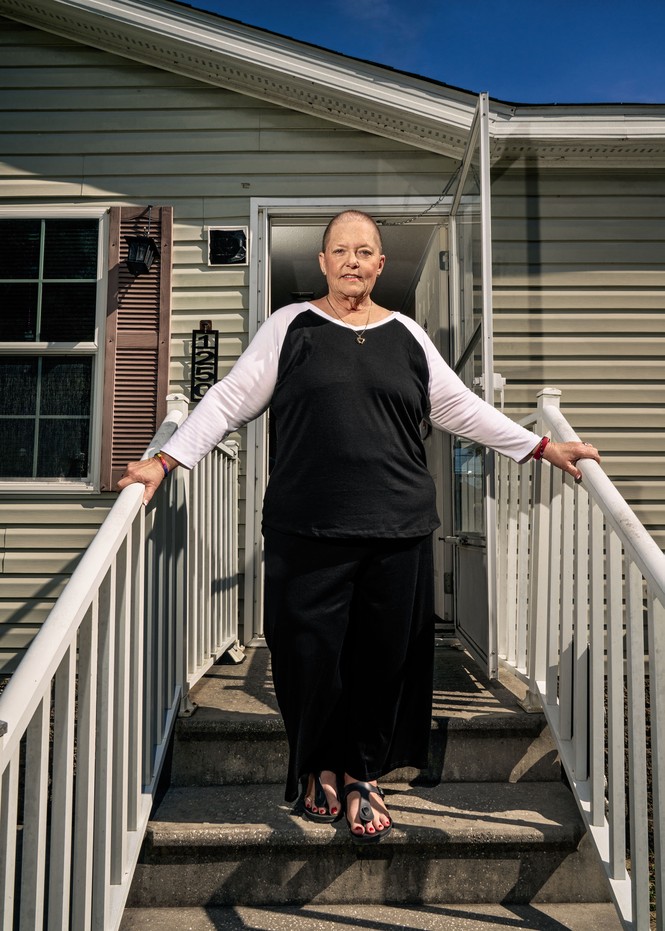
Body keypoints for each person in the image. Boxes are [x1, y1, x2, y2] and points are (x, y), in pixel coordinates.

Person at [118, 210, 600, 845]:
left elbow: (458, 406)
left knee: (383, 660)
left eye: (365, 251)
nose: (352, 260)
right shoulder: (291, 327)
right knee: (306, 656)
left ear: (379, 265)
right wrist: (166, 460)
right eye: (340, 250)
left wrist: (540, 448)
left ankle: (361, 775)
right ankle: (317, 762)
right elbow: (230, 398)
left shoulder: (406, 334)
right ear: (323, 262)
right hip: (305, 527)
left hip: (397, 526)